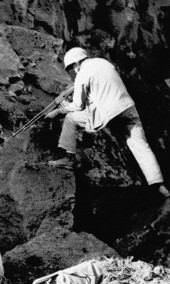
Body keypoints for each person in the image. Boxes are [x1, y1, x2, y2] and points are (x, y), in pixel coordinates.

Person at [46, 47, 169, 198]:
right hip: (127, 108)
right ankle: (158, 185)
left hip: (109, 114)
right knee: (140, 145)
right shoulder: (104, 63)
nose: (74, 70)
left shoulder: (83, 74)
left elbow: (78, 105)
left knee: (70, 119)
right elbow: (103, 86)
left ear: (78, 62)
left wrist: (61, 109)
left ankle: (69, 158)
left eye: (72, 67)